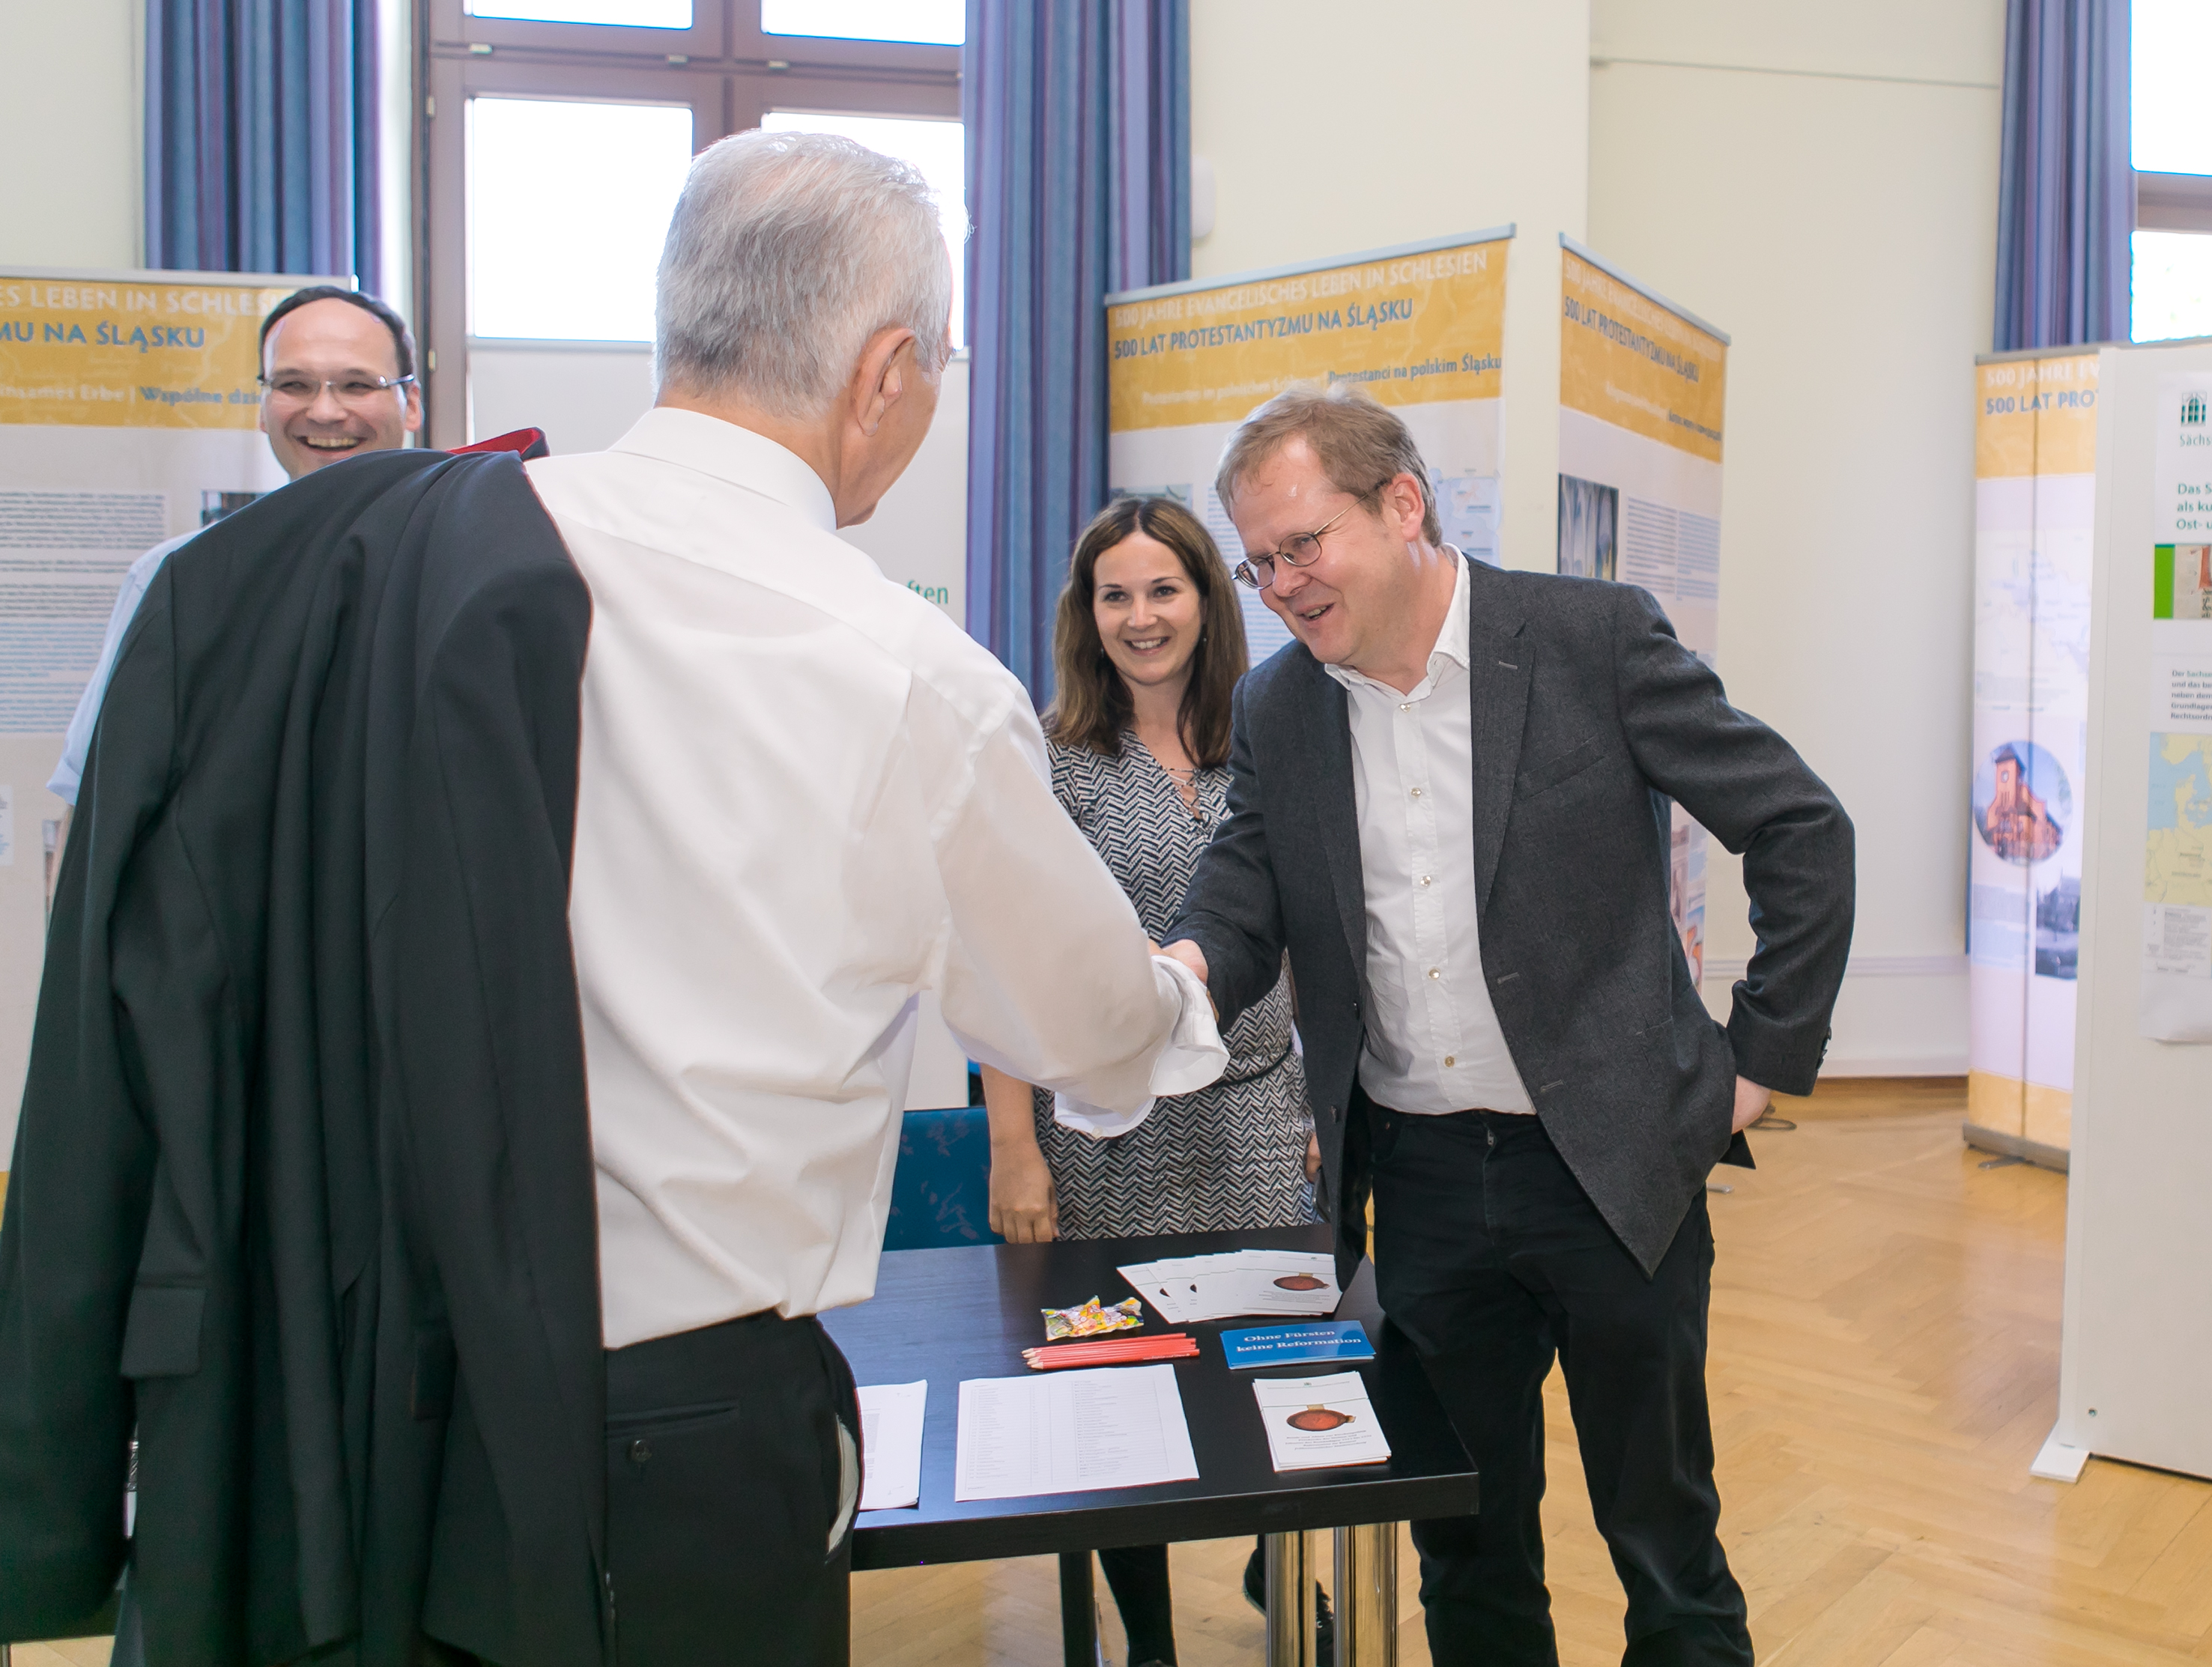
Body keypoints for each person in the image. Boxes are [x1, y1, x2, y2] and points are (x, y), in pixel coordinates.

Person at [520, 130, 1224, 1667]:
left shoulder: (445, 554)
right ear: (888, 372)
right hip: (685, 1413)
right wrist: (1178, 998)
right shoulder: (904, 673)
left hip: (392, 1368)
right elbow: (1086, 1024)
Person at [1161, 383, 1855, 1667]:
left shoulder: (1588, 638)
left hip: (1610, 1168)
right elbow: (1241, 895)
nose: (1281, 585)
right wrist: (1183, 969)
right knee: (1465, 1545)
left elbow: (1800, 828)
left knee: (1663, 1536)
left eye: (1302, 545)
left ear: (1401, 504)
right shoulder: (1279, 708)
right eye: (1259, 563)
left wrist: (1758, 1063)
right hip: (1421, 1184)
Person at [980, 494, 1321, 1667]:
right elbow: (1007, 961)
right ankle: (1152, 1643)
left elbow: (1317, 934)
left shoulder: (1275, 731)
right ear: (1085, 613)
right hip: (1106, 1134)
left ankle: (1280, 1562)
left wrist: (1321, 1103)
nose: (1141, 616)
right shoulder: (1051, 760)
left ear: (1206, 599)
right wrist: (1012, 1145)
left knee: (1272, 1367)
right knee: (1119, 1388)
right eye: (1114, 594)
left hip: (1260, 1118)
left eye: (1163, 589)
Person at [47, 284, 422, 804]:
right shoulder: (177, 576)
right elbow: (95, 792)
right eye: (293, 384)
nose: (325, 411)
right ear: (262, 407)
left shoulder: (461, 567)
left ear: (411, 404)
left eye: (358, 385)